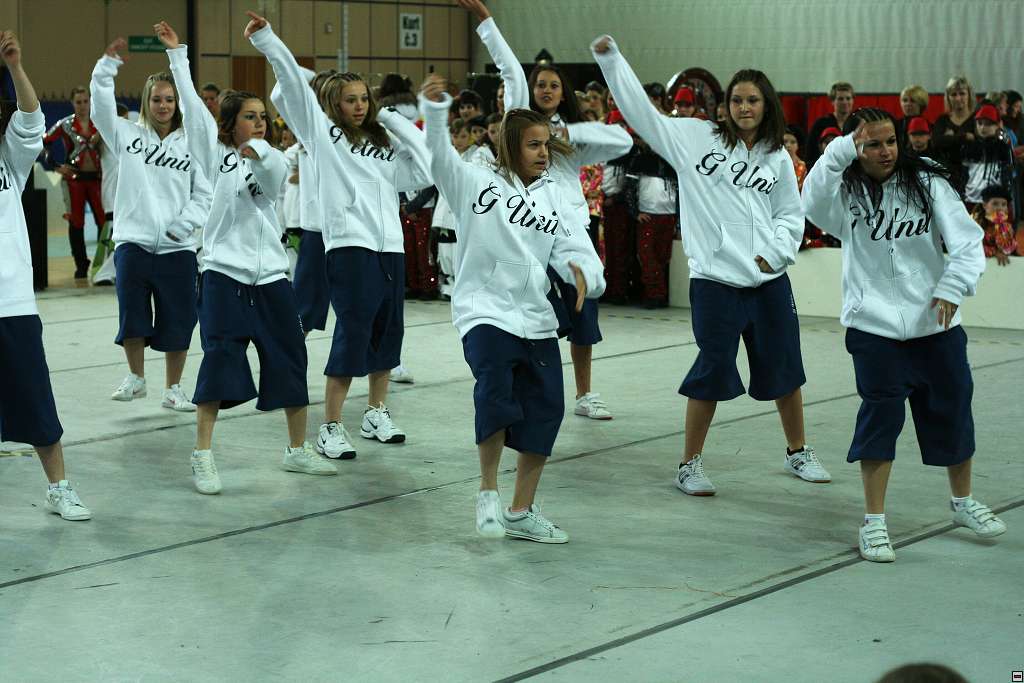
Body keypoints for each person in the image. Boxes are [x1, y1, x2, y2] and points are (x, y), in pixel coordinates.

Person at [594, 35, 827, 495]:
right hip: (715, 282)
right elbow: (642, 114)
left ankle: (798, 451)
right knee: (713, 368)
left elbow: (789, 214)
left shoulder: (778, 157)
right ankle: (689, 464)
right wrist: (612, 60)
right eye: (737, 100)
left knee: (784, 368)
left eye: (753, 100)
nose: (744, 107)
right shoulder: (694, 138)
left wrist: (777, 253)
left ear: (767, 105)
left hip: (769, 282)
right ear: (724, 105)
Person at [802, 108, 1006, 562]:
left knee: (953, 411)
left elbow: (967, 241)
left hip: (936, 326)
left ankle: (963, 502)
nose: (885, 151)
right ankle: (874, 522)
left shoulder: (928, 180)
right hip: (873, 330)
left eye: (890, 141)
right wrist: (842, 148)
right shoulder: (844, 193)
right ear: (854, 149)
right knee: (881, 418)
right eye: (872, 144)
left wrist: (952, 286)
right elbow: (810, 200)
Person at [419, 74, 605, 542]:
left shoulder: (554, 195)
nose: (543, 153)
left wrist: (586, 273)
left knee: (546, 410)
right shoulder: (474, 182)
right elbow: (438, 157)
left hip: (536, 317)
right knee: (495, 394)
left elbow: (573, 245)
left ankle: (521, 511)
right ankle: (487, 492)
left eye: (546, 145)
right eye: (533, 145)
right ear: (509, 147)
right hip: (484, 311)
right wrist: (436, 113)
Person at [155, 21, 336, 493]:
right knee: (219, 359)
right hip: (222, 275)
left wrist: (260, 151)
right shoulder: (211, 153)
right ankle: (202, 455)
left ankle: (297, 449)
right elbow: (192, 108)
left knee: (291, 357)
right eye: (250, 116)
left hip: (273, 278)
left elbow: (271, 180)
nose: (260, 122)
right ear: (230, 122)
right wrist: (177, 56)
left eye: (262, 116)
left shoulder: (273, 158)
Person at [249, 11, 431, 460]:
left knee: (388, 333)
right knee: (353, 332)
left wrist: (394, 120)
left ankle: (376, 411)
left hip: (390, 247)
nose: (360, 106)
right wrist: (268, 41)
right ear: (334, 105)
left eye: (364, 99)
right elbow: (289, 89)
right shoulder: (323, 136)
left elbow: (426, 169)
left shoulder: (382, 142)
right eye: (350, 100)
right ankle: (330, 425)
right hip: (350, 246)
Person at [461, 0, 631, 421]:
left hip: (569, 232)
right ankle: (525, 385)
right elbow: (509, 72)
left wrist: (568, 131)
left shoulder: (571, 139)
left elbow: (623, 142)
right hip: (524, 231)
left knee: (583, 314)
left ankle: (585, 394)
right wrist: (486, 23)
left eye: (555, 85)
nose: (547, 90)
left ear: (564, 92)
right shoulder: (519, 122)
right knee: (531, 313)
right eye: (541, 84)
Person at [91, 37, 212, 412]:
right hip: (134, 242)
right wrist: (106, 68)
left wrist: (185, 226)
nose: (163, 105)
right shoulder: (126, 134)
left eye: (170, 99)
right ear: (146, 102)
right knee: (132, 314)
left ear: (177, 103)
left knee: (180, 320)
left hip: (179, 249)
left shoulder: (192, 143)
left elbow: (204, 194)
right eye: (157, 99)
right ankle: (136, 377)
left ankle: (173, 388)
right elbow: (100, 108)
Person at [0, 29, 91, 521]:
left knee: (35, 399)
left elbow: (32, 119)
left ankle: (60, 488)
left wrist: (15, 67)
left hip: (11, 301)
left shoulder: (9, 161)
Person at [43, 86, 105, 279]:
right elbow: (45, 141)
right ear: (72, 103)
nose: (83, 105)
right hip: (74, 180)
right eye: (78, 102)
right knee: (76, 222)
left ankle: (103, 265)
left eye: (85, 101)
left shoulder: (100, 123)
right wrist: (55, 165)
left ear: (90, 101)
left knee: (104, 222)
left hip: (98, 179)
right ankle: (81, 265)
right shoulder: (65, 124)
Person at [806, 81, 854, 168]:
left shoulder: (857, 124)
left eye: (848, 98)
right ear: (832, 101)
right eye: (840, 99)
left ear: (853, 100)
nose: (845, 102)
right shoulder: (821, 124)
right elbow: (810, 153)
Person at [972, 185, 1017, 266]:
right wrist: (995, 252)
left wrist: (1001, 228)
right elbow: (973, 248)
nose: (1000, 208)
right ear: (984, 205)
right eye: (995, 203)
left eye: (1004, 204)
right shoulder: (975, 224)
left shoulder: (1007, 227)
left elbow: (1011, 246)